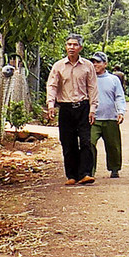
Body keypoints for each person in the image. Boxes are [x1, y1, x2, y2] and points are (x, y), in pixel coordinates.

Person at [46, 34, 99, 186]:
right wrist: (51, 104)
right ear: (65, 46)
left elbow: (92, 87)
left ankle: (86, 173)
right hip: (66, 108)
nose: (71, 47)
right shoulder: (58, 66)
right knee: (68, 143)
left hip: (83, 107)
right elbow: (52, 85)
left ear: (80, 48)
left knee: (86, 141)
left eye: (75, 45)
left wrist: (93, 109)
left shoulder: (88, 66)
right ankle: (71, 175)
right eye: (69, 44)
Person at [89, 51, 126, 179]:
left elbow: (119, 97)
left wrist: (120, 112)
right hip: (93, 118)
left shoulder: (113, 79)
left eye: (98, 62)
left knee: (113, 145)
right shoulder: (88, 78)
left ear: (105, 64)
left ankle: (114, 168)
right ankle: (89, 170)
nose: (95, 65)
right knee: (90, 143)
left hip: (110, 117)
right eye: (93, 62)